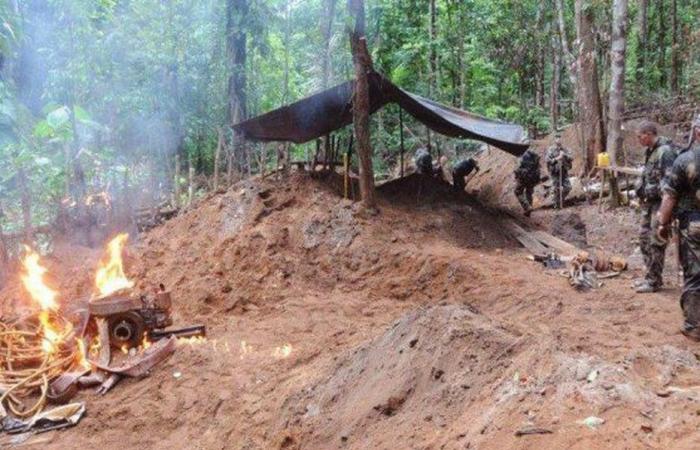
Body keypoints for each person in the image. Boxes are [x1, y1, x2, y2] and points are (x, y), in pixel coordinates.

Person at [656, 114, 700, 340]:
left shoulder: (686, 160)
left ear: (697, 132)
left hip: (694, 223)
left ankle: (694, 326)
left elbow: (670, 196)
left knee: (694, 273)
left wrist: (662, 223)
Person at [634, 120, 678, 293]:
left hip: (661, 204)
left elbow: (669, 182)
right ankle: (650, 276)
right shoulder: (651, 152)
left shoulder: (665, 152)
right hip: (649, 203)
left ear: (649, 134)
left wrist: (665, 211)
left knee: (656, 241)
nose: (638, 139)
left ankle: (654, 281)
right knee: (643, 239)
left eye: (640, 136)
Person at [545, 134, 573, 208]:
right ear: (554, 140)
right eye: (557, 138)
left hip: (564, 171)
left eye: (560, 138)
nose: (559, 140)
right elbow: (548, 160)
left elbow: (571, 158)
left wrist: (564, 155)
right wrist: (557, 158)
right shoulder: (551, 149)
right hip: (555, 172)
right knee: (555, 189)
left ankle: (560, 200)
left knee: (568, 187)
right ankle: (556, 205)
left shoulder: (565, 149)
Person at [513, 148, 541, 216]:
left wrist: (516, 174)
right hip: (533, 177)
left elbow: (518, 168)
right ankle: (529, 211)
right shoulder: (534, 155)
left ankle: (527, 207)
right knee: (529, 193)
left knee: (518, 192)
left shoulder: (521, 156)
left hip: (523, 177)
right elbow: (538, 166)